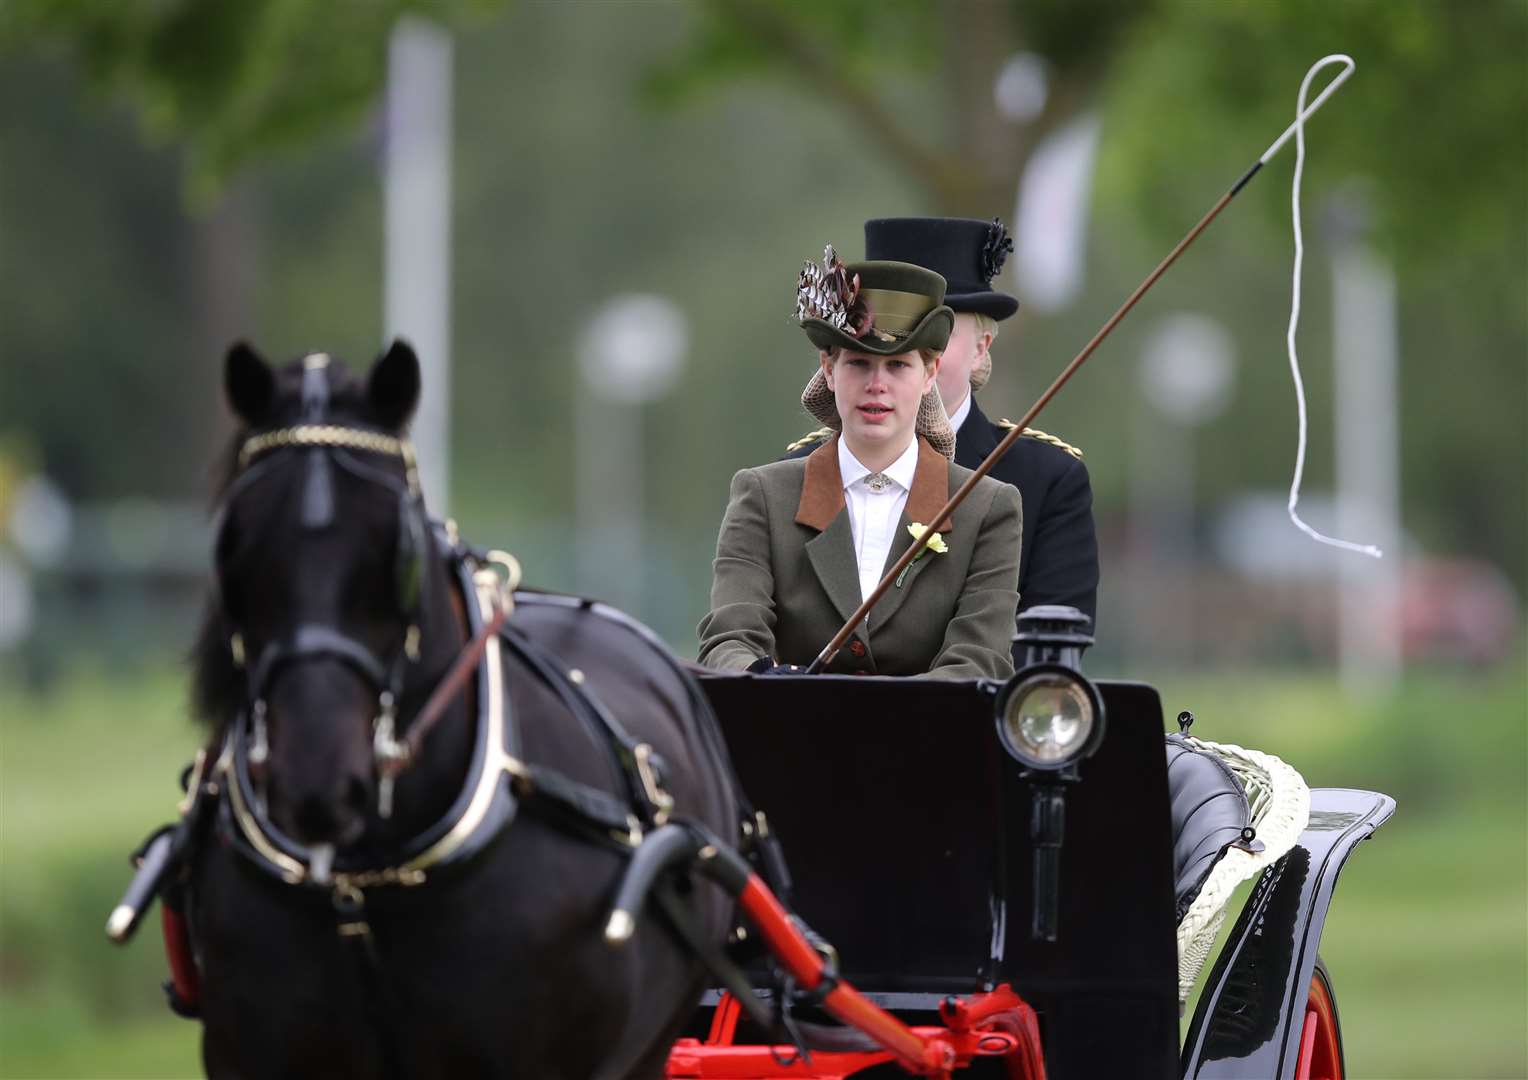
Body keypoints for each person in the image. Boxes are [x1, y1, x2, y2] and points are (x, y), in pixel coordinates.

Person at [697, 252, 1021, 680]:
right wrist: (768, 682)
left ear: (930, 374)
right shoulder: (762, 496)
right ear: (829, 370)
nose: (876, 385)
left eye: (898, 365)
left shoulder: (987, 508)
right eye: (858, 363)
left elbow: (979, 660)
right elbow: (728, 640)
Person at [784, 218, 1100, 636]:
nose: (903, 350)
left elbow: (1047, 654)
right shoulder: (796, 475)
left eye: (935, 332)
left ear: (980, 349)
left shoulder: (1046, 481)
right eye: (879, 334)